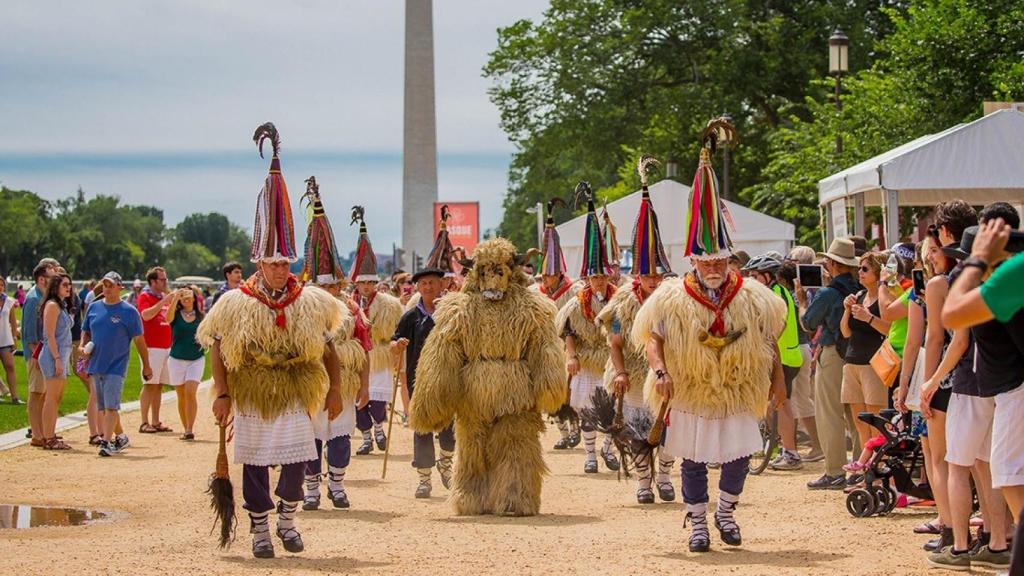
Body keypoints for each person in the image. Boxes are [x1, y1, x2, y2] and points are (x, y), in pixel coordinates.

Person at [633, 137, 787, 552]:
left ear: (729, 261)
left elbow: (769, 342)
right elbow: (653, 339)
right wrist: (661, 372)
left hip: (737, 389)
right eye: (707, 262)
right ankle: (698, 523)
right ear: (693, 262)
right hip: (691, 391)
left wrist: (778, 381)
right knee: (694, 460)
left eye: (721, 261)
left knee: (739, 457)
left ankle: (727, 512)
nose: (715, 268)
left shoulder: (754, 297)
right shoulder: (670, 297)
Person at [199, 123, 344, 558]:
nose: (281, 269)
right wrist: (222, 393)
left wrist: (335, 387)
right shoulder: (235, 303)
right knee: (256, 461)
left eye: (285, 262)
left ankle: (287, 518)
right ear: (258, 261)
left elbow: (329, 348)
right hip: (254, 389)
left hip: (297, 386)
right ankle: (259, 528)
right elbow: (221, 349)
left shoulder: (311, 301)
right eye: (273, 262)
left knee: (299, 457)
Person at [409, 237, 565, 515]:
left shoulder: (532, 308)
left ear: (511, 273)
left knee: (516, 443)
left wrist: (549, 385)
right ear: (476, 274)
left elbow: (546, 349)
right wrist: (432, 398)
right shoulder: (460, 309)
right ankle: (473, 497)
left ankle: (515, 498)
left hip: (516, 391)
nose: (492, 281)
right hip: (474, 393)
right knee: (473, 447)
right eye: (485, 273)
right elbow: (442, 354)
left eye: (499, 272)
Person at [597, 157, 674, 503]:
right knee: (639, 430)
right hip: (636, 375)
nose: (654, 280)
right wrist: (622, 371)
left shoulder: (675, 300)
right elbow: (615, 341)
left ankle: (666, 475)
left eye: (658, 274)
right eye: (648, 275)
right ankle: (644, 481)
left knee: (672, 431)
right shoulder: (620, 306)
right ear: (638, 275)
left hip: (671, 373)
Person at [298, 178, 369, 511]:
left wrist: (364, 384)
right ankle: (311, 488)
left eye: (331, 287)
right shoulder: (300, 310)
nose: (326, 292)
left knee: (340, 438)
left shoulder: (352, 310)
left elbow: (364, 347)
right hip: (311, 385)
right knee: (310, 438)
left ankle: (337, 485)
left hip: (344, 383)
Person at [555, 182, 620, 474]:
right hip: (586, 360)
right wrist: (571, 356)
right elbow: (568, 330)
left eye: (601, 277)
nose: (598, 282)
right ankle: (591, 455)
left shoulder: (618, 299)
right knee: (587, 411)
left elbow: (620, 328)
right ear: (588, 278)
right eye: (593, 277)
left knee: (614, 409)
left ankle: (607, 449)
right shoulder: (576, 303)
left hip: (609, 359)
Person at [796, 237, 862, 489]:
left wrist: (803, 302)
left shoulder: (827, 293)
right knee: (855, 415)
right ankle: (858, 466)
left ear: (832, 264)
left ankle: (834, 470)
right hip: (857, 354)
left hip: (833, 353)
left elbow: (808, 323)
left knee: (830, 414)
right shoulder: (858, 288)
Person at [391, 266, 453, 498]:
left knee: (449, 426)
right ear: (418, 287)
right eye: (423, 283)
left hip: (447, 377)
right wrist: (397, 346)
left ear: (442, 285)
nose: (428, 287)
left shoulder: (450, 312)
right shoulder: (410, 315)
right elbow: (393, 341)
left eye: (432, 283)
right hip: (419, 380)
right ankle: (424, 479)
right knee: (422, 427)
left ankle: (446, 464)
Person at [349, 207, 403, 456]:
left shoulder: (390, 305)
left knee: (378, 401)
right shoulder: (346, 303)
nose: (367, 286)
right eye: (363, 282)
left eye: (371, 282)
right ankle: (368, 436)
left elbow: (396, 331)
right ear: (356, 283)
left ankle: (379, 427)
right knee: (358, 402)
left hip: (378, 357)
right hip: (355, 357)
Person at [529, 196, 581, 450]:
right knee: (550, 394)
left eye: (552, 274)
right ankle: (563, 432)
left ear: (560, 272)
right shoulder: (535, 293)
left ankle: (577, 428)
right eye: (545, 274)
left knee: (574, 394)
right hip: (545, 351)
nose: (548, 279)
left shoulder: (574, 291)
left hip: (570, 346)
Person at [81, 271, 152, 457]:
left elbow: (139, 341)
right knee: (104, 408)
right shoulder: (94, 308)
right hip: (96, 364)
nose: (107, 288)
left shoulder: (129, 312)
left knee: (111, 407)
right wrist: (82, 346)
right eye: (104, 285)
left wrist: (146, 365)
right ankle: (120, 436)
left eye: (111, 285)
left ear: (120, 287)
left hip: (116, 366)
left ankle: (105, 443)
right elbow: (86, 330)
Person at [744, 255, 805, 471]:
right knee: (778, 405)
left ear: (767, 276)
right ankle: (784, 448)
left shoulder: (774, 294)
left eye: (754, 276)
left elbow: (775, 328)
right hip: (788, 355)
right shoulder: (778, 292)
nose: (750, 280)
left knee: (779, 405)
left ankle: (790, 452)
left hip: (783, 357)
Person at [838, 252, 889, 458]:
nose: (860, 272)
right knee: (860, 424)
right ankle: (867, 469)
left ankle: (876, 473)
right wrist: (847, 309)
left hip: (873, 365)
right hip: (852, 363)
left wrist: (868, 318)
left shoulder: (885, 298)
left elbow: (889, 329)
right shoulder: (858, 296)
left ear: (878, 272)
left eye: (865, 269)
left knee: (876, 426)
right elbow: (845, 332)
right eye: (859, 268)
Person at [779, 249, 822, 461]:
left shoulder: (803, 292)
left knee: (802, 400)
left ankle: (817, 445)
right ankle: (795, 444)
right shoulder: (802, 290)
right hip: (803, 348)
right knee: (796, 400)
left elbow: (807, 322)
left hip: (801, 348)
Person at [38, 272, 74, 450]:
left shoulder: (62, 305)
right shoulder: (52, 305)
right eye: (64, 285)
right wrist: (57, 358)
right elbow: (49, 335)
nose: (68, 287)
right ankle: (48, 437)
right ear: (55, 287)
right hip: (54, 355)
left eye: (69, 284)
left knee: (57, 397)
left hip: (62, 354)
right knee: (51, 398)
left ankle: (50, 433)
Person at [136, 266, 174, 433]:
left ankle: (156, 420)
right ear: (153, 281)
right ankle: (144, 421)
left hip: (165, 346)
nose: (165, 282)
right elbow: (145, 315)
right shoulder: (145, 296)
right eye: (162, 279)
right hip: (151, 347)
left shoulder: (163, 297)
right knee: (149, 384)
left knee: (159, 385)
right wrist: (163, 303)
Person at [23, 262, 57, 445]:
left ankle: (43, 432)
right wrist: (37, 356)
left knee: (43, 393)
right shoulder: (33, 299)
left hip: (43, 353)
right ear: (42, 279)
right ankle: (37, 434)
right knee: (36, 393)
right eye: (52, 276)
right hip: (36, 354)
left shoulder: (44, 297)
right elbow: (29, 334)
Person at [166, 286, 205, 440]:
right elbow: (167, 319)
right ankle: (185, 427)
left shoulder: (201, 316)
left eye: (189, 295)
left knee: (190, 392)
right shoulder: (175, 315)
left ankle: (189, 428)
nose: (186, 298)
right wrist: (175, 299)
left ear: (194, 298)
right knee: (181, 395)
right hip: (176, 358)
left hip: (196, 358)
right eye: (183, 296)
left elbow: (207, 333)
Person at [0, 276, 22, 404]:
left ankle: (15, 397)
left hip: (6, 340)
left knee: (10, 367)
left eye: (2, 285)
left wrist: (14, 338)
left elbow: (13, 322)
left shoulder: (9, 301)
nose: (0, 287)